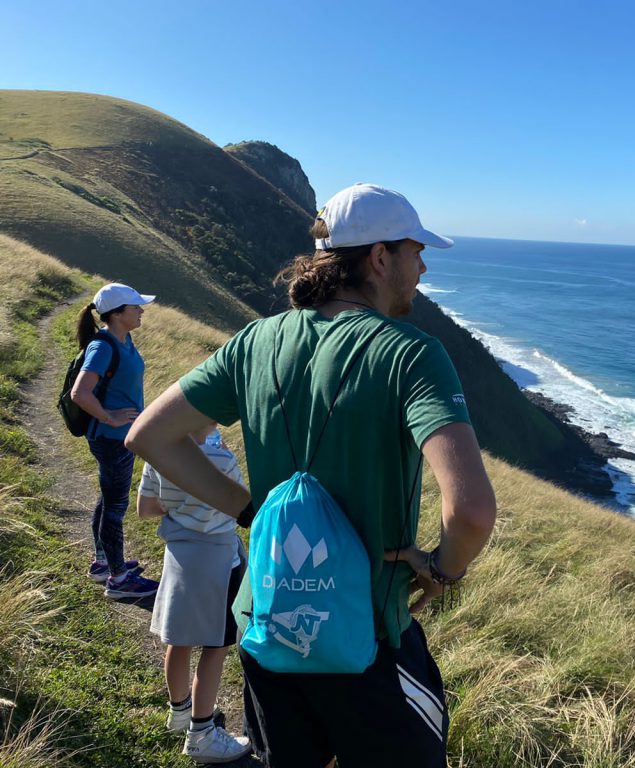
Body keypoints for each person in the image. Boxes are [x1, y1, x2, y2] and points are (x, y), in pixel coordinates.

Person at [126, 183, 497, 768]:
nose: (423, 266)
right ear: (379, 258)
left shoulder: (255, 341)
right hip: (369, 639)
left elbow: (149, 436)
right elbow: (472, 511)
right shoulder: (410, 353)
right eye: (416, 250)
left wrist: (249, 510)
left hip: (271, 625)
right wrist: (443, 570)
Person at [138, 423, 250, 764]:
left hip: (179, 555)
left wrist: (180, 506)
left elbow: (147, 508)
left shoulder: (158, 451)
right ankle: (202, 734)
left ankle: (180, 712)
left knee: (179, 639)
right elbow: (241, 507)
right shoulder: (222, 457)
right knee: (216, 648)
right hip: (218, 559)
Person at [70, 283, 160, 599]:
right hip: (111, 438)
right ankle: (119, 579)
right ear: (118, 314)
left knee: (109, 500)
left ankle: (102, 563)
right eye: (135, 307)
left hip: (118, 437)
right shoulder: (103, 347)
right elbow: (79, 393)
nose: (141, 311)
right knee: (115, 507)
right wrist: (111, 418)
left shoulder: (124, 338)